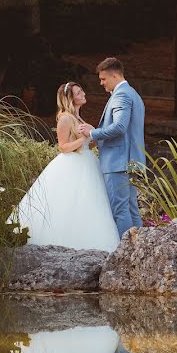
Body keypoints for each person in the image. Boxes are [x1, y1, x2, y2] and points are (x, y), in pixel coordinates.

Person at [11, 81, 121, 252]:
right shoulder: (65, 118)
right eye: (79, 93)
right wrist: (84, 139)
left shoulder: (79, 118)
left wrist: (93, 139)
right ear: (70, 98)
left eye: (82, 90)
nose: (83, 94)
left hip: (88, 162)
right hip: (72, 165)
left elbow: (86, 144)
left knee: (91, 202)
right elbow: (63, 147)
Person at [77, 58, 146, 238]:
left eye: (103, 79)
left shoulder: (121, 95)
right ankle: (139, 250)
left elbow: (119, 127)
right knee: (131, 208)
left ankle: (125, 254)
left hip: (118, 162)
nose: (101, 83)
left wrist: (93, 133)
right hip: (131, 160)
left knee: (120, 210)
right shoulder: (133, 94)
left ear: (114, 75)